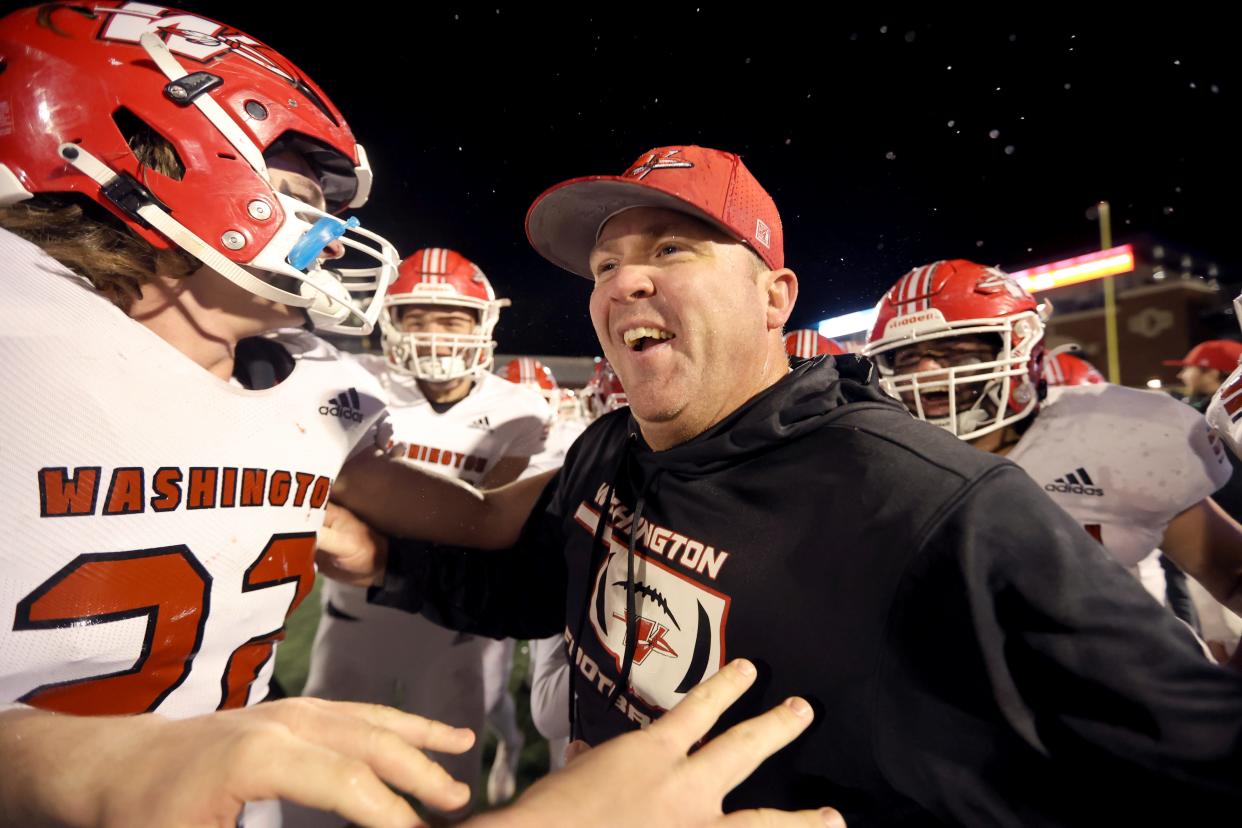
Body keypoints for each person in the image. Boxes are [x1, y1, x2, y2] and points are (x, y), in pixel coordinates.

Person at [0, 8, 839, 827]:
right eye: (296, 194)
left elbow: (485, 518)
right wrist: (81, 765)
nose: (331, 235)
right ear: (158, 164)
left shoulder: (306, 382)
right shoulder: (21, 327)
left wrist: (690, 440)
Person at [320, 145, 1242, 825]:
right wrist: (382, 561)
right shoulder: (612, 445)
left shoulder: (932, 504)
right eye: (605, 268)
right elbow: (539, 592)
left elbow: (1200, 756)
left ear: (775, 298)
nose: (623, 280)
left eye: (673, 251)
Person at [298, 248, 549, 823]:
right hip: (353, 623)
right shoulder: (354, 386)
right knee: (312, 793)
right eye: (417, 318)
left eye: (451, 319)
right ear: (391, 320)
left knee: (448, 790)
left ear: (483, 324)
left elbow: (492, 529)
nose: (433, 335)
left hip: (454, 631)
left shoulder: (518, 409)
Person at [862, 259, 1242, 629]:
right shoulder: (878, 460)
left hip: (1124, 680)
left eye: (952, 349)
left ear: (1018, 345)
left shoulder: (1112, 434)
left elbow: (1233, 577)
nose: (926, 372)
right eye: (908, 356)